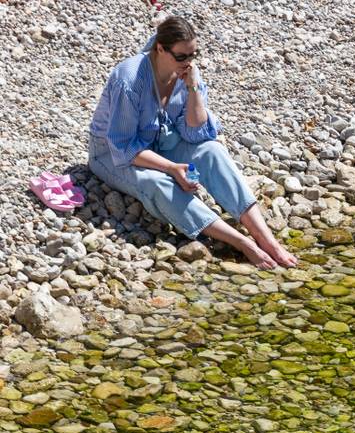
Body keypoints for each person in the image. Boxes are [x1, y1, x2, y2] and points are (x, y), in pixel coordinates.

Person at [88, 15, 297, 269]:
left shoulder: (186, 74)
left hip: (160, 144)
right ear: (160, 48)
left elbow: (198, 134)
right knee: (158, 182)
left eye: (192, 56)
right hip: (111, 156)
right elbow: (123, 147)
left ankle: (267, 239)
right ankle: (242, 243)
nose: (188, 63)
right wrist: (171, 168)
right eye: (181, 57)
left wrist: (194, 89)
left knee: (212, 151)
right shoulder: (129, 79)